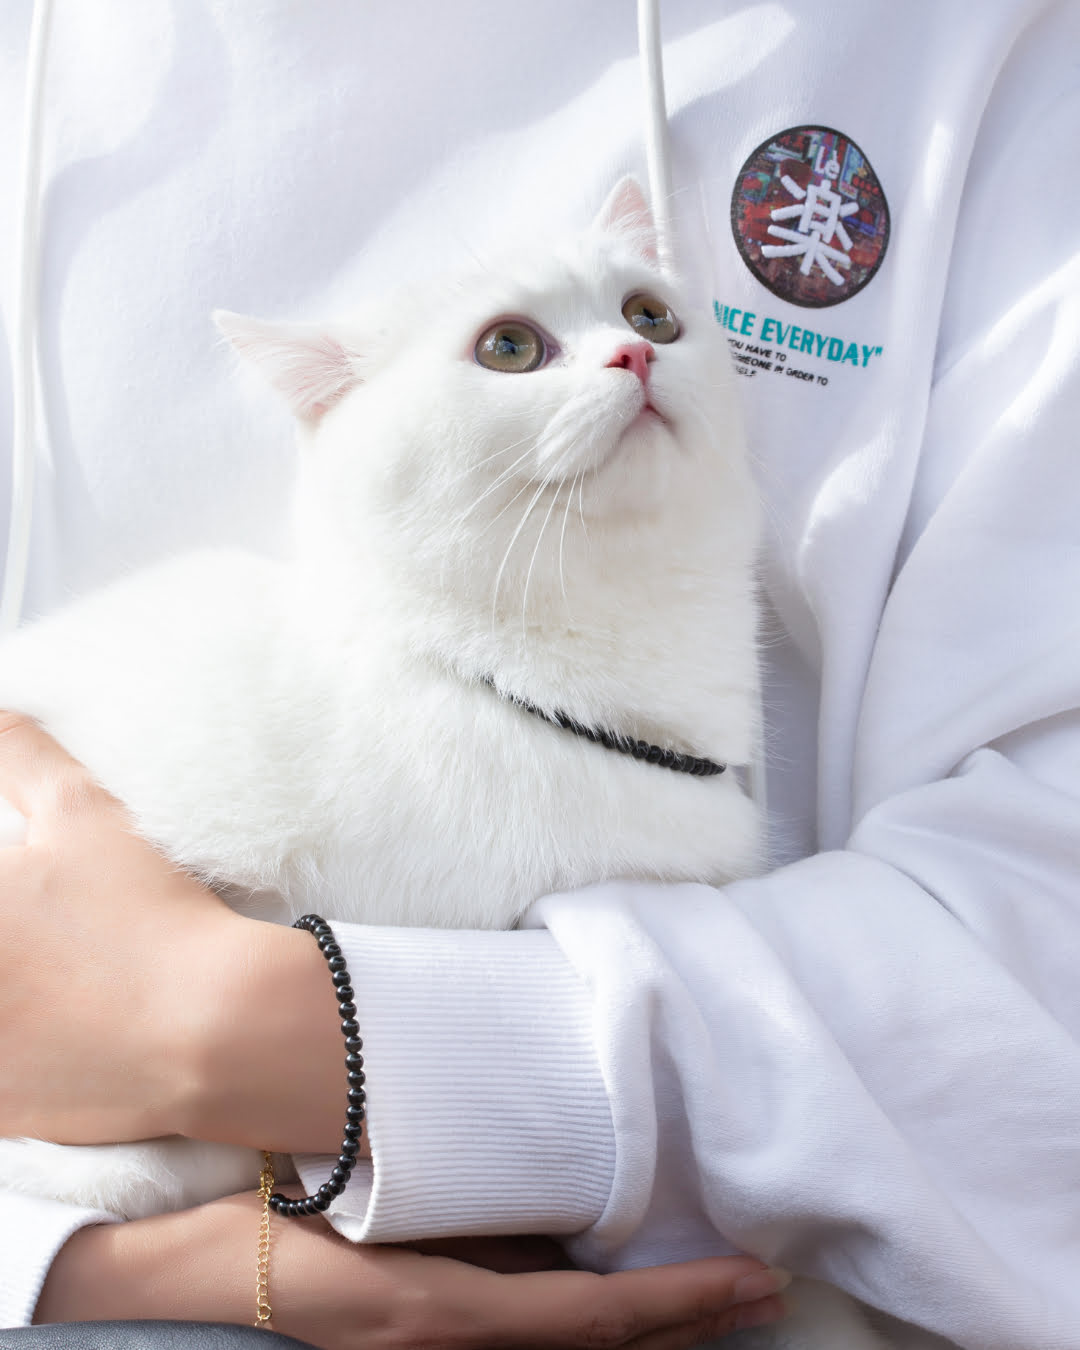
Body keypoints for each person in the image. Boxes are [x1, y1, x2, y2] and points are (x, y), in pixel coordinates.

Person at [1, 2, 1078, 1347]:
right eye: (518, 346)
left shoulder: (968, 47)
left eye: (646, 310)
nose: (628, 349)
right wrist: (81, 1263)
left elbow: (1049, 970)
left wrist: (275, 1041)